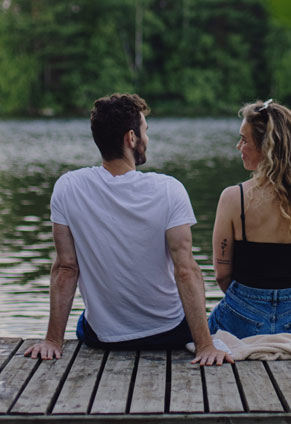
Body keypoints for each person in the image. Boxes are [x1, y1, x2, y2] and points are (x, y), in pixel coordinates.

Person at [25, 93, 231, 366]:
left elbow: (66, 268)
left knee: (83, 320)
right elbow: (186, 269)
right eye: (145, 131)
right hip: (169, 332)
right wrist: (204, 345)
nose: (147, 139)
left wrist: (52, 341)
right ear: (131, 138)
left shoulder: (68, 187)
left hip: (103, 337)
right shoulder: (169, 189)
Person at [208, 99, 291, 338]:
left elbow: (222, 275)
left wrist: (251, 302)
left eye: (244, 139)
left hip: (243, 316)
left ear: (266, 148)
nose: (238, 146)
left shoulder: (234, 198)